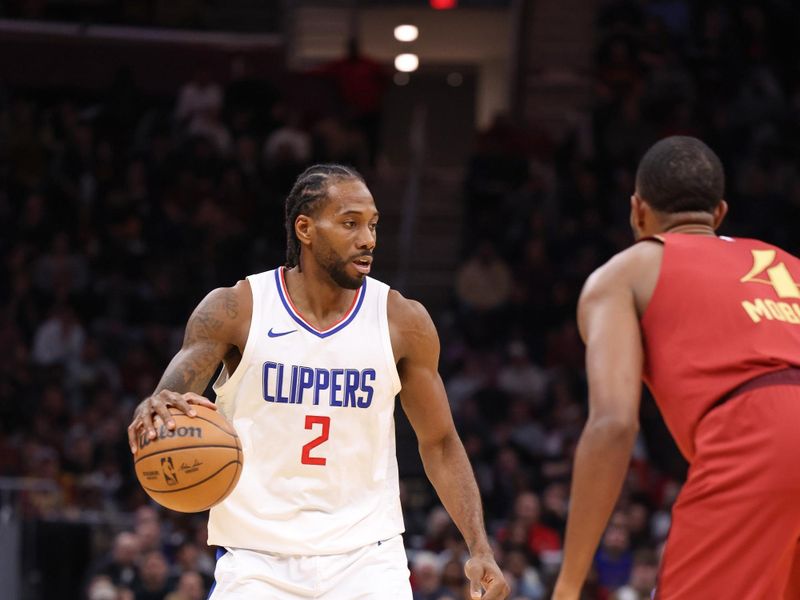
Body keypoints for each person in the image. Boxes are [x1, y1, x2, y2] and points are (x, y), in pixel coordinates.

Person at [127, 164, 508, 600]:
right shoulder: (237, 309)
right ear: (304, 228)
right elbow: (169, 401)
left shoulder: (403, 321)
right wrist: (152, 406)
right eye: (350, 223)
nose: (368, 239)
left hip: (367, 560)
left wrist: (479, 546)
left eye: (373, 225)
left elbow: (440, 443)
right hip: (258, 560)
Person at [553, 136, 800, 599]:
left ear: (637, 211)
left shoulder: (625, 273)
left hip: (759, 437)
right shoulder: (788, 264)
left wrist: (568, 584)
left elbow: (613, 424)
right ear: (720, 213)